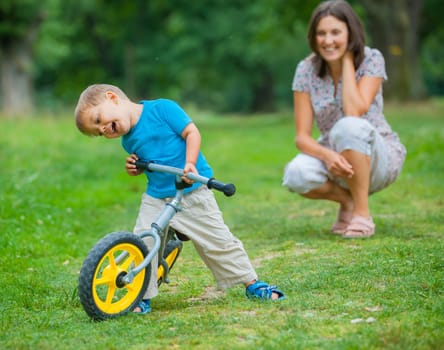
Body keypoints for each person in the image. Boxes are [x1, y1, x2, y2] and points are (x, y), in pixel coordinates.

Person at [75, 84, 285, 314]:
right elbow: (150, 162)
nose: (103, 129)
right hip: (157, 196)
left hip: (191, 191)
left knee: (216, 240)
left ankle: (251, 283)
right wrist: (135, 168)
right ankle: (141, 296)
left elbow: (191, 133)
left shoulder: (162, 109)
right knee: (144, 241)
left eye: (98, 119)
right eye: (98, 132)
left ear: (112, 98)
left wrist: (190, 163)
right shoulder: (127, 140)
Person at [282, 0, 406, 238]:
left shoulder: (372, 59)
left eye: (336, 32)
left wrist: (347, 60)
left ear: (350, 33)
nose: (328, 41)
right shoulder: (306, 69)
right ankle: (347, 202)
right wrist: (327, 155)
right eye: (321, 33)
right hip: (334, 158)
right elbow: (302, 137)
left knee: (349, 126)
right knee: (295, 174)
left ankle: (362, 215)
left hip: (378, 158)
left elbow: (354, 111)